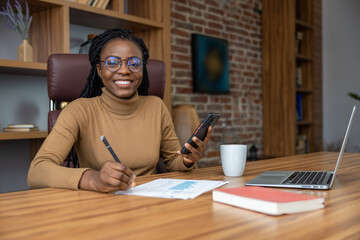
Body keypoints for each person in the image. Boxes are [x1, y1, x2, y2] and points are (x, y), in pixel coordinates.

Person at [27, 28, 212, 193]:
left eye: (134, 63)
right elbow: (37, 172)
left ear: (142, 69)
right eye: (112, 62)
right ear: (99, 70)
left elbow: (173, 162)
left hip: (150, 205)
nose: (124, 70)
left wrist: (188, 159)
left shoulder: (156, 106)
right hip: (99, 207)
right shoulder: (79, 110)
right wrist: (93, 178)